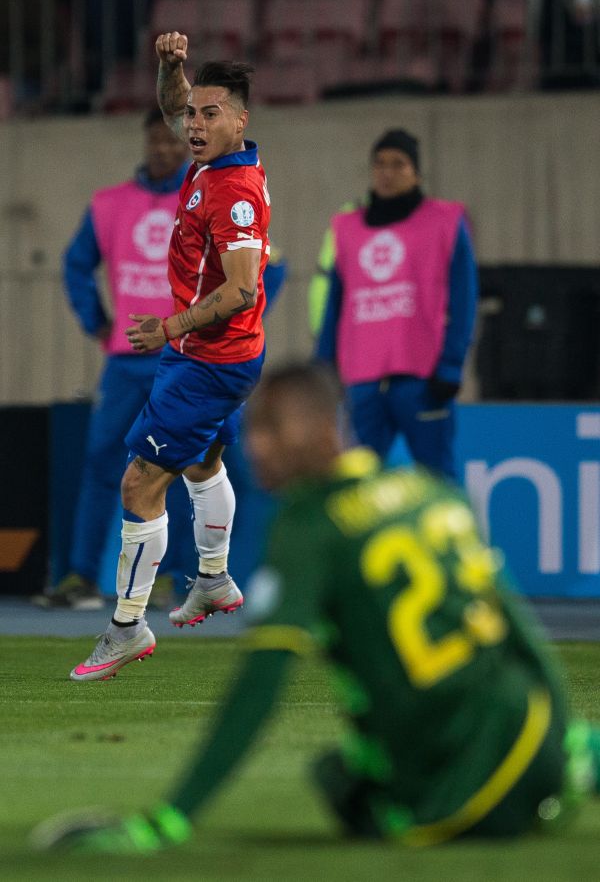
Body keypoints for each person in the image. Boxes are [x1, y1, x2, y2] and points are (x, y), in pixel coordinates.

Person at [34, 362, 600, 851]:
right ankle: (575, 764)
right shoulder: (431, 491)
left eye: (272, 429)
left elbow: (261, 686)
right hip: (536, 737)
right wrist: (561, 733)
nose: (255, 447)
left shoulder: (309, 526)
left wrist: (168, 819)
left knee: (341, 780)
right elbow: (520, 634)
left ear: (326, 427)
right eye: (256, 430)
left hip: (459, 799)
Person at [69, 32, 272, 682]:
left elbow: (241, 287)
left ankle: (127, 625)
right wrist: (169, 67)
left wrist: (170, 326)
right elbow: (171, 105)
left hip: (206, 355)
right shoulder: (209, 162)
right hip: (216, 355)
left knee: (139, 482)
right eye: (193, 113)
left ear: (241, 120)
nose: (193, 123)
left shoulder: (231, 192)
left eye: (210, 114)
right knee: (203, 459)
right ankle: (213, 579)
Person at [36, 108, 194, 611]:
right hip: (126, 358)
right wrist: (96, 321)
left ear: (187, 145)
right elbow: (76, 263)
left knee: (188, 466)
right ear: (145, 143)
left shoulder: (206, 200)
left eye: (174, 143)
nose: (165, 151)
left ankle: (179, 577)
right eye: (156, 141)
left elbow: (261, 268)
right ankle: (80, 576)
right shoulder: (110, 205)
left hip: (183, 357)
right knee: (102, 462)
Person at [315, 128, 478, 479]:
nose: (387, 172)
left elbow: (465, 299)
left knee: (438, 479)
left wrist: (451, 366)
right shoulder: (347, 228)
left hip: (423, 379)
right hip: (362, 381)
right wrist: (323, 367)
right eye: (380, 164)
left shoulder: (446, 222)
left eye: (398, 164)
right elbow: (335, 305)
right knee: (357, 483)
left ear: (417, 173)